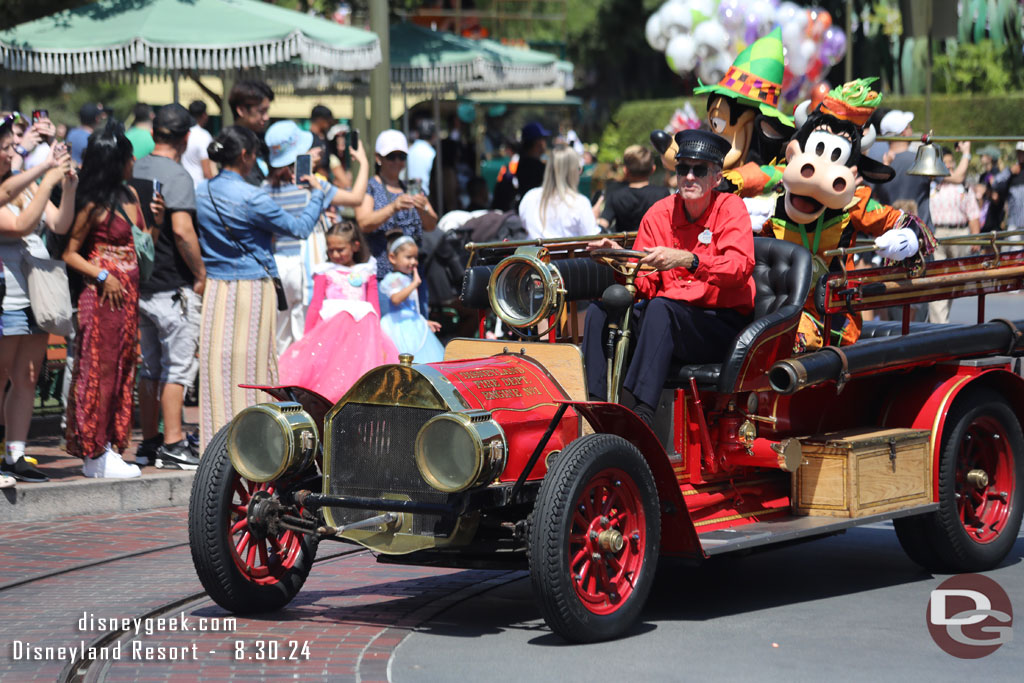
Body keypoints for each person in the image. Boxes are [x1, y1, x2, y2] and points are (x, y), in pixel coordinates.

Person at [582, 130, 756, 426]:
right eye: (682, 169)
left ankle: (642, 415)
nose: (688, 177)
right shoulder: (658, 213)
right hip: (668, 317)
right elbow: (644, 285)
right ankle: (593, 408)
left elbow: (739, 269)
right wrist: (621, 261)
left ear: (716, 178)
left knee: (660, 309)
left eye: (698, 170)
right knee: (601, 311)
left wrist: (690, 260)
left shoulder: (731, 208)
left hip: (719, 321)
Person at [194, 126, 326, 452]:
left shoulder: (201, 191)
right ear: (245, 156)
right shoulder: (252, 196)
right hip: (252, 286)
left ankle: (216, 442)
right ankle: (254, 442)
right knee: (255, 366)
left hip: (215, 286)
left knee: (216, 365)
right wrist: (319, 195)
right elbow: (299, 228)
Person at [63, 120, 162, 479]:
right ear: (115, 160)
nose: (134, 162)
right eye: (128, 157)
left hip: (128, 299)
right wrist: (102, 275)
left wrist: (157, 223)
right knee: (100, 372)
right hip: (103, 299)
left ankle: (110, 447)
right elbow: (70, 253)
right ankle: (95, 451)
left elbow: (139, 243)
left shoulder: (130, 195)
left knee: (122, 371)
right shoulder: (92, 202)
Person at [0, 118, 78, 484]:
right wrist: (46, 175)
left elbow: (59, 225)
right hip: (6, 298)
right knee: (1, 375)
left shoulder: (28, 185)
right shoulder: (13, 187)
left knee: (28, 376)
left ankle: (16, 453)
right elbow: (20, 226)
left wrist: (68, 185)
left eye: (13, 146)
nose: (11, 152)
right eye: (6, 147)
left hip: (33, 293)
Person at [131, 103, 206, 470]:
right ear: (186, 137)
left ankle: (149, 442)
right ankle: (174, 443)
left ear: (153, 133)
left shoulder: (134, 168)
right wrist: (201, 272)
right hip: (172, 285)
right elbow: (181, 230)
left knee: (150, 369)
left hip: (139, 283)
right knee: (177, 369)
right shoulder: (177, 175)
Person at [262, 119, 369, 353]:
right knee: (305, 334)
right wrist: (363, 162)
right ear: (300, 155)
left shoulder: (265, 188)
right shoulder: (315, 185)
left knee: (280, 336)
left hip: (278, 264)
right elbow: (356, 198)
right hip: (307, 265)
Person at [278, 222, 398, 401]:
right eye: (331, 250)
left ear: (355, 246)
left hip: (361, 332)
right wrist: (308, 336)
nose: (335, 254)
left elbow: (373, 304)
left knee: (358, 366)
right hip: (332, 332)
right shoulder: (325, 271)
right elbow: (316, 304)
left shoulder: (367, 270)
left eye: (340, 249)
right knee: (331, 367)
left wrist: (378, 336)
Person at [354, 130, 438, 311]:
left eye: (402, 157)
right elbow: (364, 223)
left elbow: (432, 224)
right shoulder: (371, 187)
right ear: (379, 158)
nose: (397, 162)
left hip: (412, 273)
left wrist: (422, 208)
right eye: (392, 156)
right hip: (382, 275)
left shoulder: (412, 187)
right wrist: (393, 207)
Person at [378, 234, 444, 363]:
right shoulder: (393, 278)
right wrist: (414, 284)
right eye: (408, 257)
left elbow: (411, 308)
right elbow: (396, 299)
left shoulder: (407, 279)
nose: (414, 262)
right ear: (392, 258)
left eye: (415, 258)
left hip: (413, 324)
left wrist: (424, 322)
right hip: (398, 326)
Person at [518, 145, 599, 239]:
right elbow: (593, 241)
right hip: (570, 254)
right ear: (572, 172)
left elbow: (525, 227)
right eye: (579, 169)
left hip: (534, 253)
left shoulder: (529, 197)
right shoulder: (580, 203)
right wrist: (595, 219)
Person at [597, 145, 670, 232]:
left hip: (623, 245)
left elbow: (603, 223)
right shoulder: (663, 194)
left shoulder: (615, 195)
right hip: (654, 245)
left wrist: (595, 218)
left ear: (625, 170)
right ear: (653, 169)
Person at [491, 122, 549, 212]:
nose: (545, 143)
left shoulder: (517, 163)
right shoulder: (539, 168)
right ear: (538, 143)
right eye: (543, 139)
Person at [228, 80, 274, 186]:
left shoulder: (265, 140)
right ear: (241, 110)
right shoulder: (230, 144)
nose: (267, 117)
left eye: (267, 111)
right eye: (261, 111)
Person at [991, 141, 1024, 233]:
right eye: (1019, 152)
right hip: (1014, 223)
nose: (1021, 155)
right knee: (1013, 247)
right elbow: (995, 183)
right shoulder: (1011, 171)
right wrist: (1009, 171)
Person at [182, 100, 215, 188]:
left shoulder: (183, 133)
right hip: (200, 188)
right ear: (204, 115)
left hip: (184, 185)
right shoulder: (204, 136)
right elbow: (207, 171)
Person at [407, 118, 437, 197]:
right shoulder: (432, 153)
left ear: (417, 134)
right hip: (424, 198)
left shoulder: (409, 151)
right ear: (434, 136)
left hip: (409, 196)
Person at [326, 122, 353, 190]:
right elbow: (346, 183)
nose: (341, 140)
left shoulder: (346, 159)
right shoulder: (333, 159)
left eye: (343, 136)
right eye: (338, 137)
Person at [309, 105, 333, 174]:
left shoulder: (324, 138)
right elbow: (319, 168)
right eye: (328, 120)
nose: (330, 123)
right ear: (320, 119)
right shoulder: (310, 140)